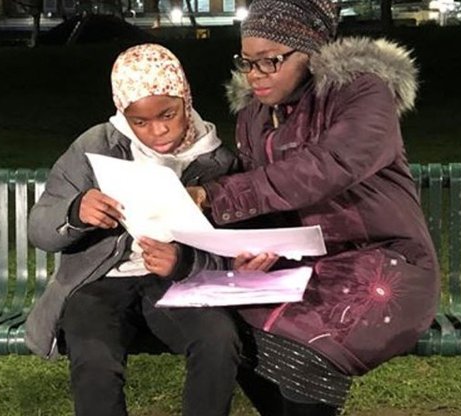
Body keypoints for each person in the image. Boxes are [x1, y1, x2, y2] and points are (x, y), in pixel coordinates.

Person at [186, 1, 441, 415]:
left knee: (306, 346)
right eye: (247, 62)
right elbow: (268, 200)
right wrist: (255, 247)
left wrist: (215, 195)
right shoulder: (254, 114)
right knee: (226, 331)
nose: (255, 76)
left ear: (310, 52)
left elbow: (329, 165)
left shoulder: (362, 92)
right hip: (299, 265)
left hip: (382, 260)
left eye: (270, 62)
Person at [23, 44, 241, 416]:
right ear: (123, 113)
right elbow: (40, 227)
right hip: (99, 281)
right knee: (92, 351)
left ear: (185, 98)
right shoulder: (97, 146)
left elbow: (231, 251)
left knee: (218, 338)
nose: (157, 131)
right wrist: (76, 212)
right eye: (140, 121)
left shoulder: (216, 160)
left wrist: (182, 261)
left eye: (168, 114)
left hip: (176, 283)